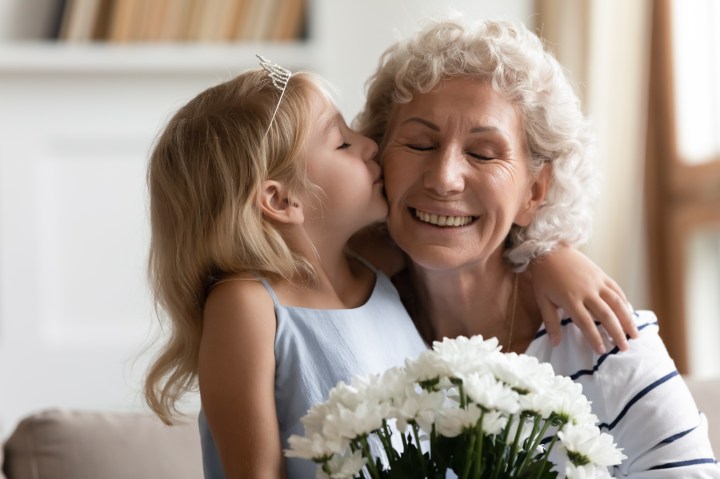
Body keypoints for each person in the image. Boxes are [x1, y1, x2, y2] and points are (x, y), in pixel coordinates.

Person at [143, 57, 636, 478]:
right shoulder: (248, 305)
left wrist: (553, 254)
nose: (370, 145)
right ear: (281, 199)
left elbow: (471, 238)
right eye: (340, 142)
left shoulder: (381, 272)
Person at [352, 17, 720, 477]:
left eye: (484, 153)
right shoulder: (358, 325)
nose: (444, 178)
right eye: (420, 144)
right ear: (378, 158)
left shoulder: (606, 340)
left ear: (534, 192)